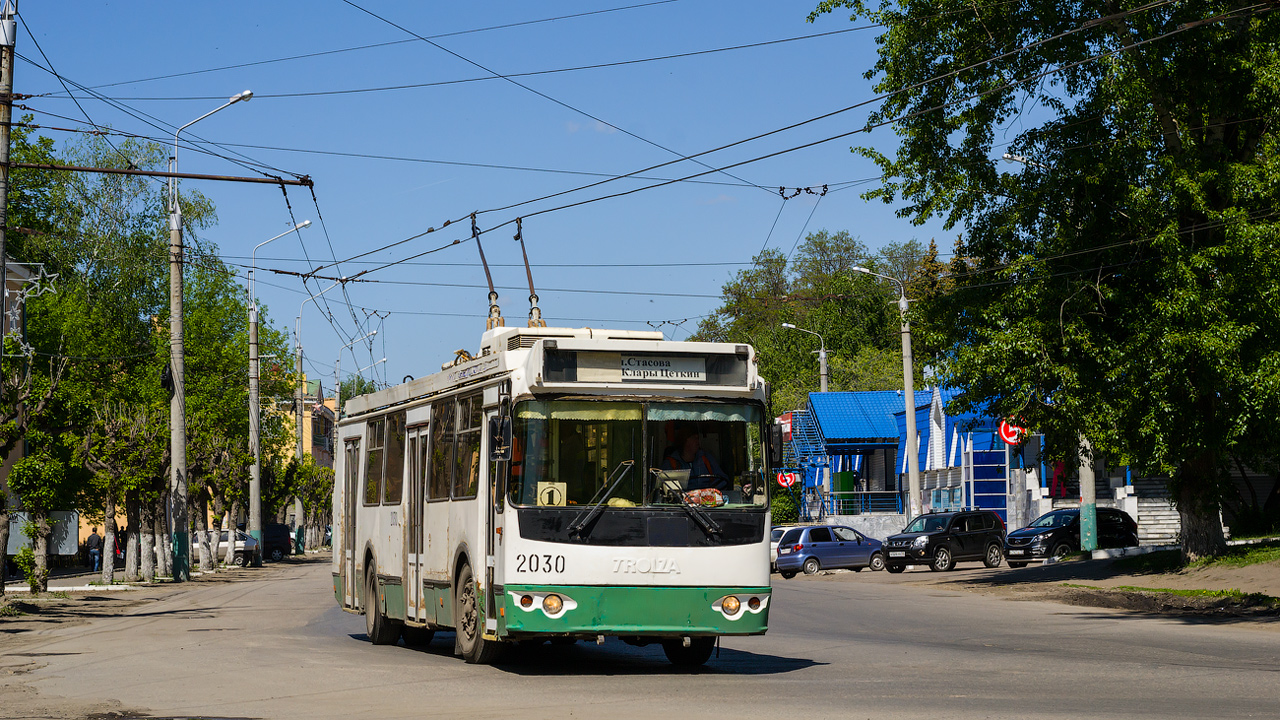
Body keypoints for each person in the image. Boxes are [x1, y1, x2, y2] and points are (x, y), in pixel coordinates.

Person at [663, 425, 729, 491]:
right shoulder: (671, 463)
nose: (697, 441)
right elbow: (664, 487)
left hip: (707, 498)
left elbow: (723, 479)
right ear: (685, 440)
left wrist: (711, 490)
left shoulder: (706, 458)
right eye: (694, 438)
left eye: (698, 438)